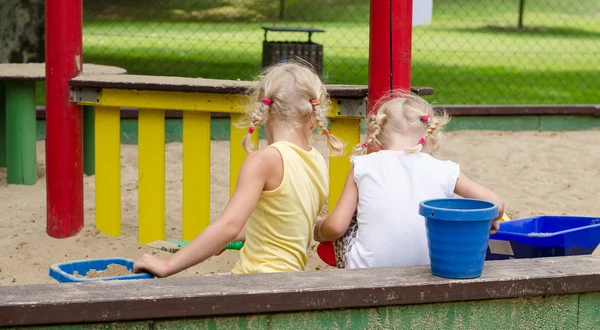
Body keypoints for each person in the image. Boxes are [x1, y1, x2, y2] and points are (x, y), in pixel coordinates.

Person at [134, 62, 345, 277]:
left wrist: (166, 265)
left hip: (257, 279)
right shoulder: (317, 161)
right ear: (313, 116)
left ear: (265, 111)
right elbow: (285, 225)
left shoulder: (264, 161)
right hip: (290, 279)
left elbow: (229, 225)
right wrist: (237, 237)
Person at [313, 91, 504, 269]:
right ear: (429, 138)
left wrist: (319, 230)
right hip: (430, 267)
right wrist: (491, 218)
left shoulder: (363, 165)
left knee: (352, 217)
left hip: (368, 273)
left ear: (377, 138)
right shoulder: (445, 170)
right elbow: (496, 205)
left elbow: (336, 226)